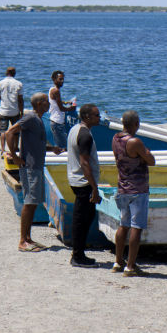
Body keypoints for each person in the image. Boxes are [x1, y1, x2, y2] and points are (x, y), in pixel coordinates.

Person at [5, 92, 62, 252]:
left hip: (37, 166)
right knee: (29, 202)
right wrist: (15, 156)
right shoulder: (30, 118)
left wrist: (52, 148)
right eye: (46, 101)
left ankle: (28, 238)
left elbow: (36, 144)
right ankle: (23, 241)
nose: (48, 103)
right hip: (30, 167)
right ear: (39, 103)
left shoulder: (38, 119)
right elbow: (10, 132)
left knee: (34, 202)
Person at [111, 110, 155, 277]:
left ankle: (118, 262)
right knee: (136, 227)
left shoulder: (116, 139)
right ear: (136, 124)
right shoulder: (135, 142)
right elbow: (151, 161)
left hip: (122, 187)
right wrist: (145, 153)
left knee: (123, 225)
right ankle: (130, 266)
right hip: (138, 189)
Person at [66, 103, 102, 268]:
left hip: (76, 179)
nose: (99, 118)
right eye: (96, 115)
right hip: (83, 182)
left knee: (85, 216)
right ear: (87, 116)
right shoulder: (85, 135)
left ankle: (78, 252)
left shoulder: (75, 129)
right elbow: (85, 163)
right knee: (82, 219)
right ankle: (78, 256)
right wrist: (94, 188)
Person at [0, 67, 24, 154]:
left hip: (4, 111)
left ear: (6, 73)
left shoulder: (0, 83)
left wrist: (2, 105)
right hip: (15, 111)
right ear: (14, 73)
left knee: (3, 130)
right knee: (16, 130)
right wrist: (22, 112)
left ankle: (3, 149)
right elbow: (20, 100)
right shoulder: (18, 84)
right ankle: (15, 147)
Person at [48, 70, 76, 149]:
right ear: (54, 79)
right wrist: (71, 108)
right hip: (57, 122)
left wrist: (65, 102)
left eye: (63, 79)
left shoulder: (52, 89)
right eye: (60, 79)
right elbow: (61, 108)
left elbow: (56, 101)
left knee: (61, 145)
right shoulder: (56, 91)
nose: (62, 81)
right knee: (63, 147)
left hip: (55, 121)